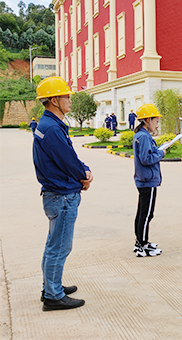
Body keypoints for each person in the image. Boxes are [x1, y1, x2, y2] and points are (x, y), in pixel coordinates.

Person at [33, 76, 93, 311]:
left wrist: (82, 170)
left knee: (54, 244)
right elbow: (67, 160)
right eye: (66, 96)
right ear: (55, 100)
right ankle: (53, 296)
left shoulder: (49, 125)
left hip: (56, 194)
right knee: (59, 247)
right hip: (61, 195)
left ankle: (51, 286)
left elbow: (67, 157)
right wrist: (84, 175)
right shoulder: (51, 128)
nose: (70, 99)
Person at [133, 104, 166, 257]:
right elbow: (146, 159)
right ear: (148, 120)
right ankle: (143, 245)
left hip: (144, 179)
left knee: (142, 213)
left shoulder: (140, 135)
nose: (157, 124)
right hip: (148, 180)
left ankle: (140, 242)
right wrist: (161, 153)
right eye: (156, 121)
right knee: (147, 214)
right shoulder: (144, 136)